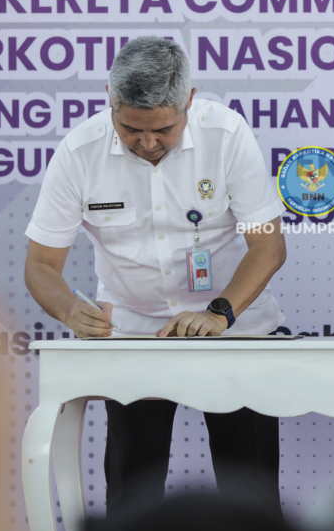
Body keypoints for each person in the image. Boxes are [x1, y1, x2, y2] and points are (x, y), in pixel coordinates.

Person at [23, 36, 287, 510]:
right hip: (133, 337)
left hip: (236, 330)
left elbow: (268, 246)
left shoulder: (227, 135)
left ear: (190, 100)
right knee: (132, 493)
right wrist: (69, 311)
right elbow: (41, 264)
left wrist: (219, 314)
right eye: (130, 128)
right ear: (110, 98)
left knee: (252, 493)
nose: (147, 143)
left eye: (164, 129)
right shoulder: (79, 152)